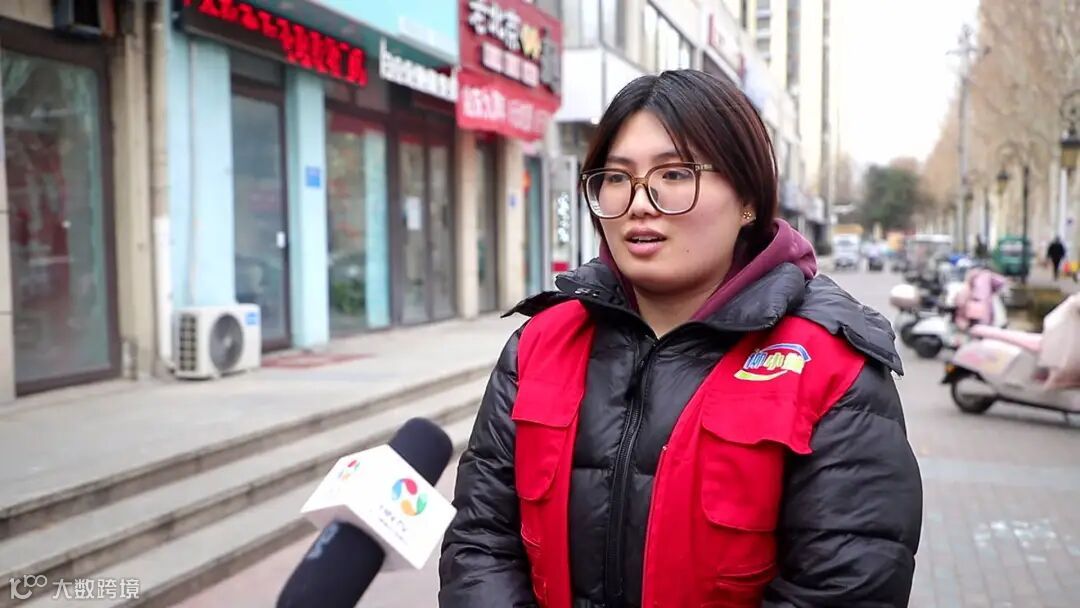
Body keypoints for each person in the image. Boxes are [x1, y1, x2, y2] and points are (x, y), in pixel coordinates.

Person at [438, 70, 922, 608]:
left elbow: (844, 588)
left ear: (748, 199)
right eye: (616, 177)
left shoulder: (832, 367)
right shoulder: (538, 345)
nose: (639, 202)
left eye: (674, 173)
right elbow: (480, 541)